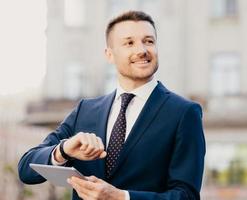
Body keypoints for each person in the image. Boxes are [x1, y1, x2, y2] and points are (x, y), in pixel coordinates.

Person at [18, 10, 206, 200]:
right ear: (109, 54)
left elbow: (186, 195)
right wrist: (63, 150)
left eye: (149, 41)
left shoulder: (184, 113)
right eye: (129, 43)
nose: (142, 50)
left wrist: (122, 197)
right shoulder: (86, 110)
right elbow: (26, 169)